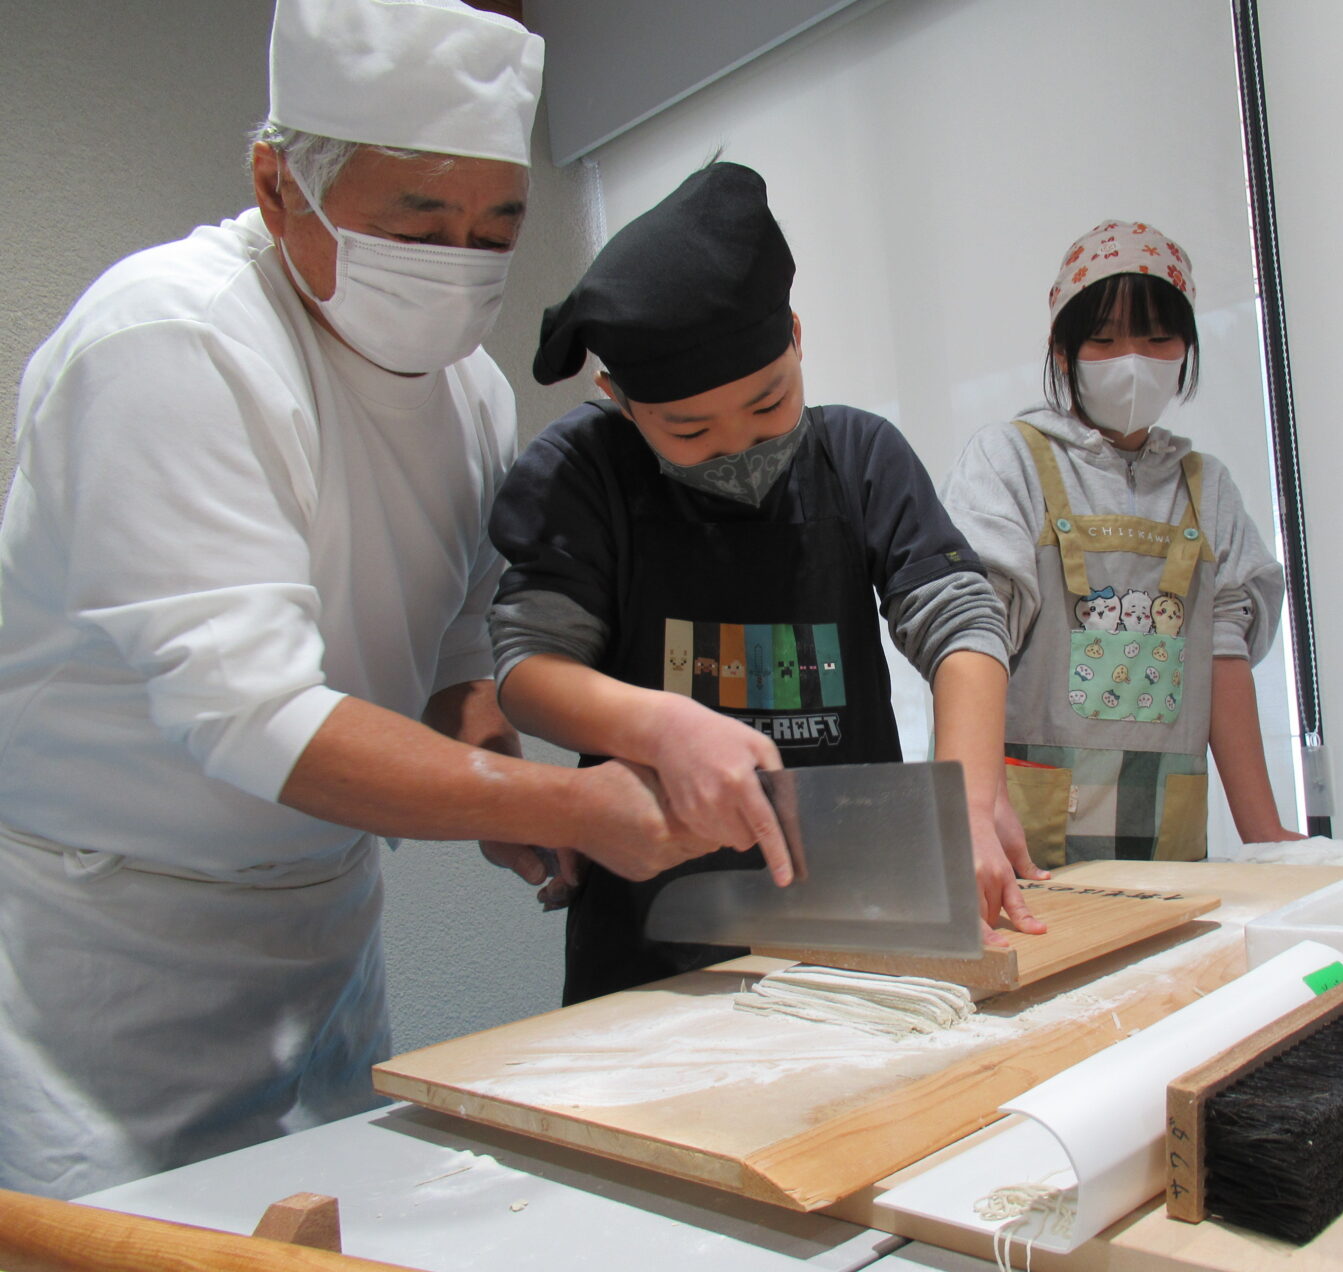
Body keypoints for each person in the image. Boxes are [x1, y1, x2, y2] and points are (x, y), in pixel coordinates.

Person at [0, 0, 719, 1201]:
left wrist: (492, 758)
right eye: (420, 221)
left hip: (325, 923)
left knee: (323, 1260)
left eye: (499, 225)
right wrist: (579, 803)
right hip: (111, 957)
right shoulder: (172, 343)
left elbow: (448, 638)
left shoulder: (472, 392)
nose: (462, 262)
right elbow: (260, 719)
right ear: (280, 188)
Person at [488, 161, 1043, 1002]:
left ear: (795, 334)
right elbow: (528, 671)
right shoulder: (581, 476)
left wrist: (963, 811)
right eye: (690, 428)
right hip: (653, 936)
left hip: (859, 918)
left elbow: (962, 626)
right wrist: (661, 725)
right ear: (619, 400)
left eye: (768, 402)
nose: (739, 442)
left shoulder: (860, 458)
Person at [940, 222, 1303, 866]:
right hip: (1016, 837)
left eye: (1157, 338)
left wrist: (1265, 833)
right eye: (1104, 340)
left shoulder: (1205, 488)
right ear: (1062, 349)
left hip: (1167, 838)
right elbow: (973, 636)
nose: (1132, 360)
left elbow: (1224, 651)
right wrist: (972, 810)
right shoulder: (1010, 461)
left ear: (1188, 347)